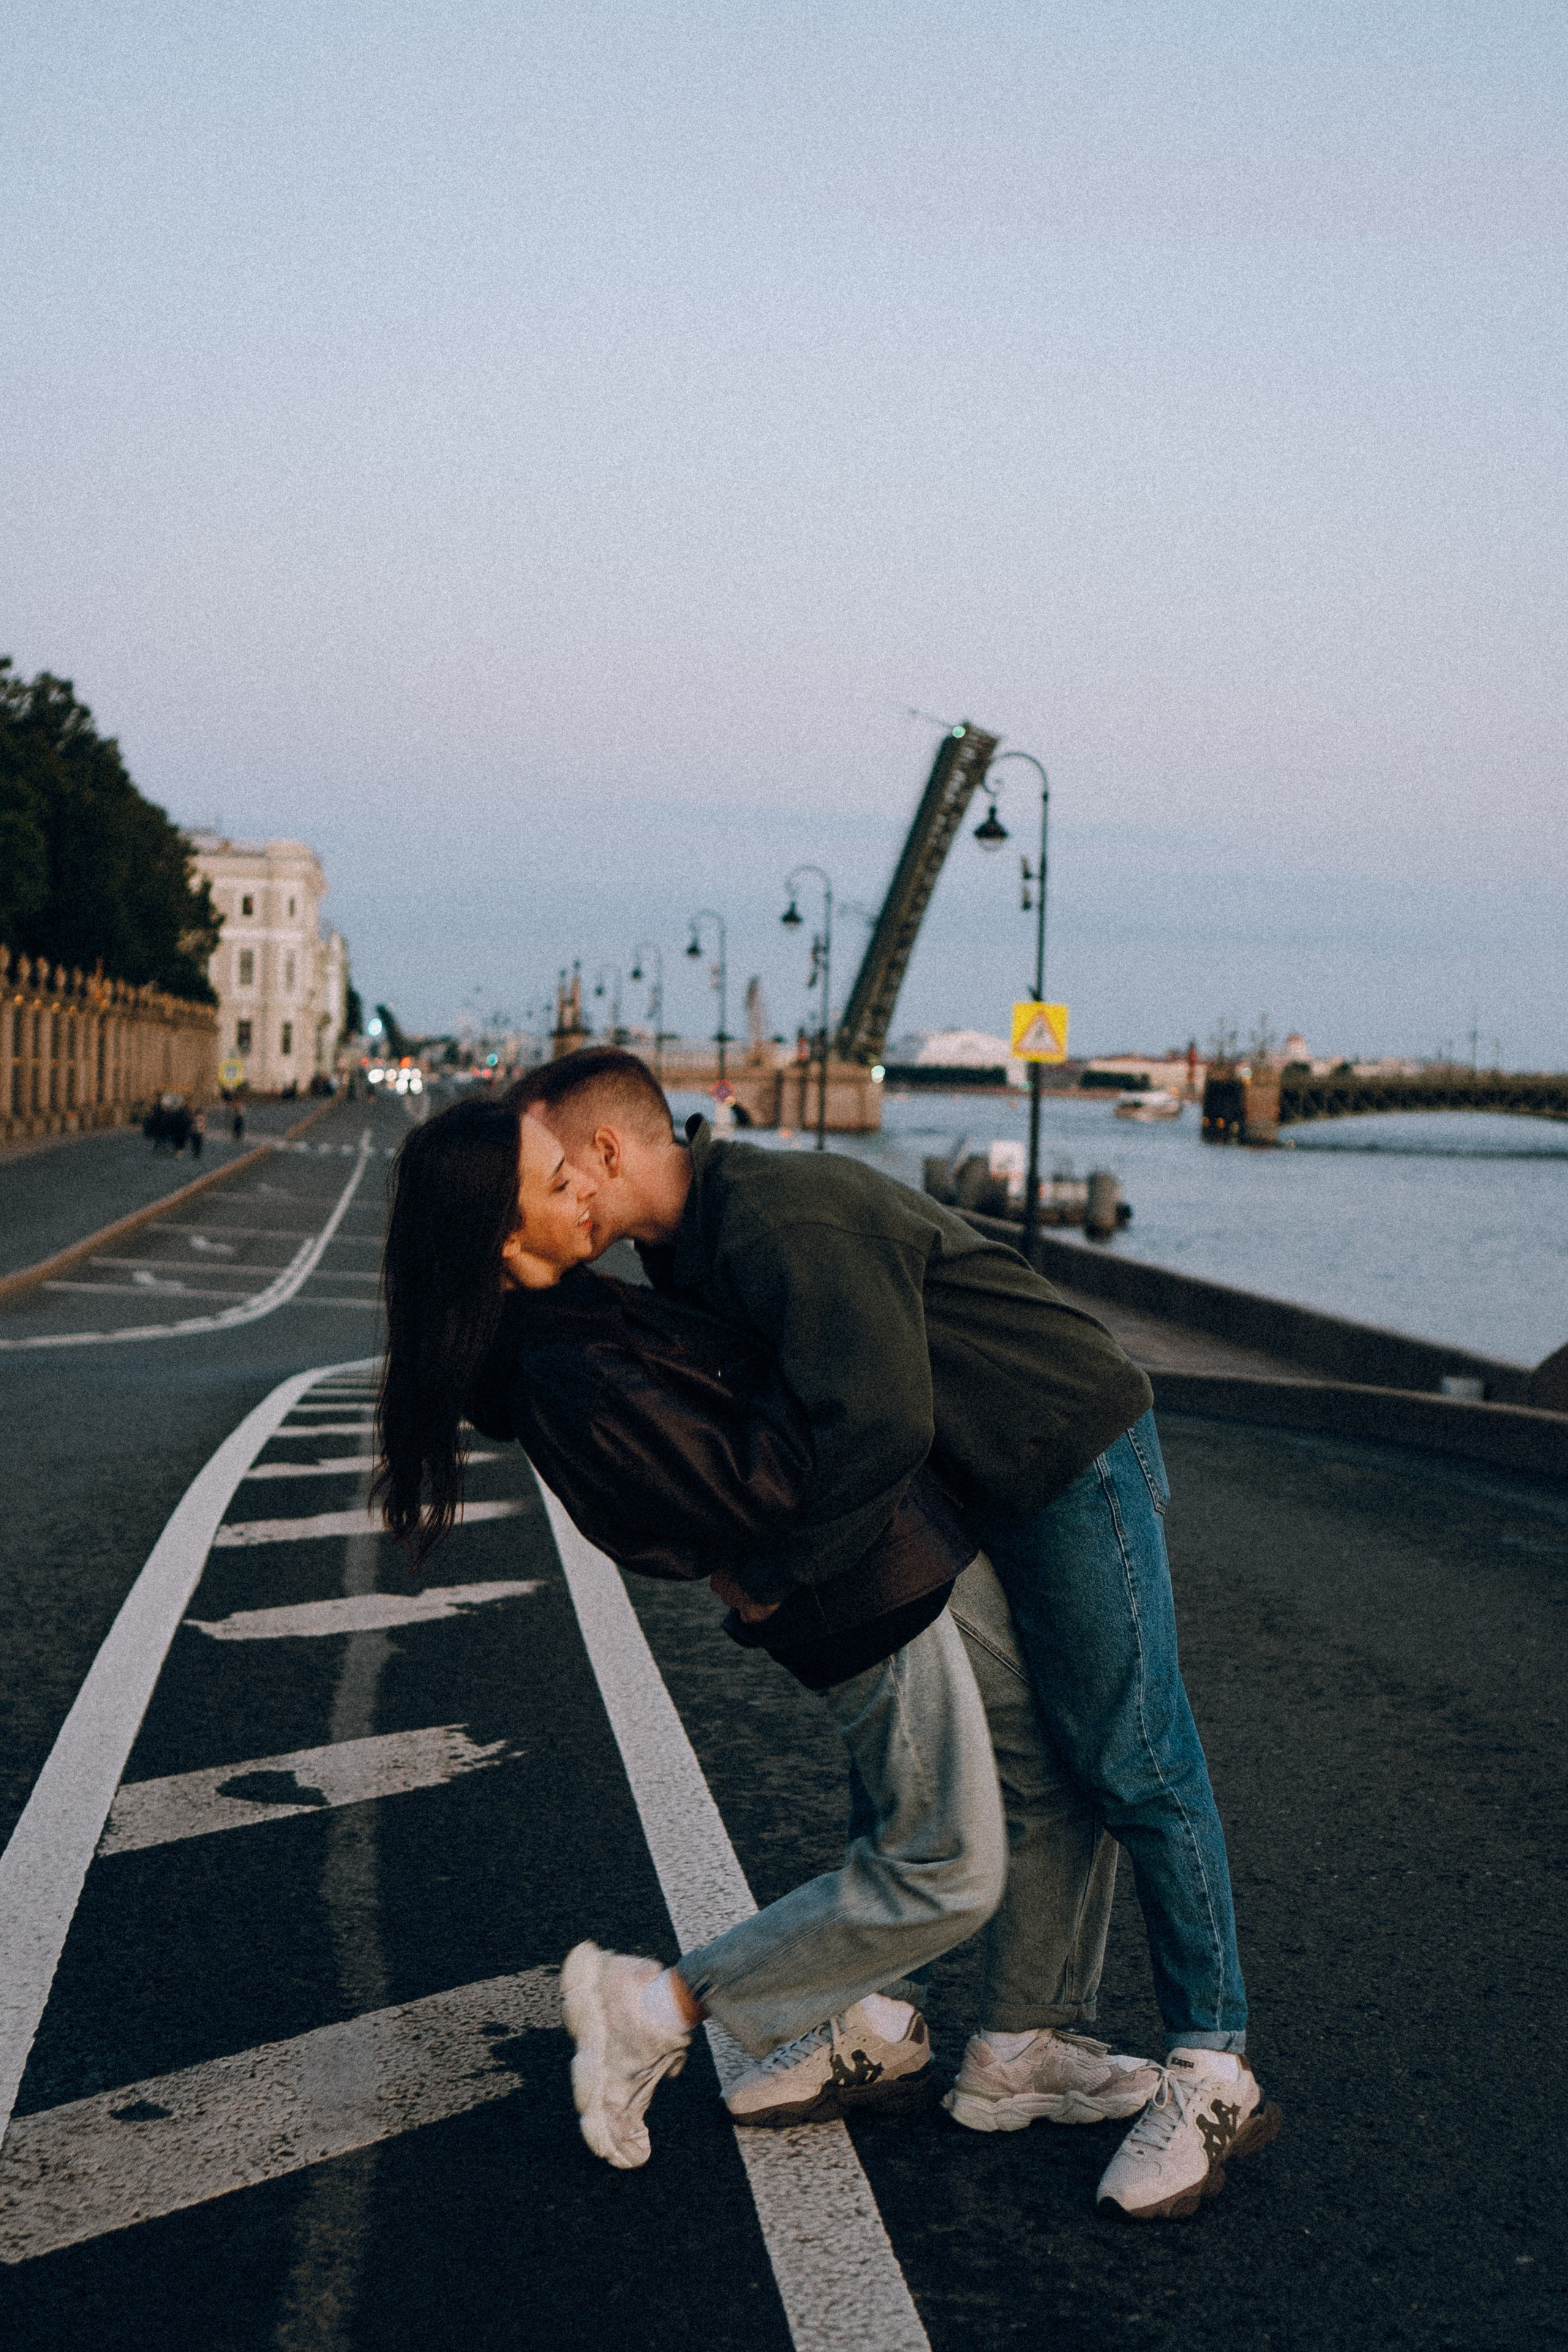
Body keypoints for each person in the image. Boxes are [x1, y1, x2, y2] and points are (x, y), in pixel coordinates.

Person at [518, 1049, 1281, 2222]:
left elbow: (874, 1428)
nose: (554, 1200)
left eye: (557, 1173)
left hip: (1063, 1453)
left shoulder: (779, 1216)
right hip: (967, 1483)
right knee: (994, 1751)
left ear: (609, 1153)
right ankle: (1015, 2047)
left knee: (1131, 1754)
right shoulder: (686, 1251)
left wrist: (773, 1580)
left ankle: (1213, 2061)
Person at [374, 1097, 1031, 2170]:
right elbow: (752, 1490)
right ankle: (659, 2003)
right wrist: (833, 1378)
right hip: (859, 1597)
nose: (588, 1186)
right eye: (557, 1184)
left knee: (972, 1812)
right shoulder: (563, 1369)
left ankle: (974, 2037)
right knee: (946, 1869)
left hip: (881, 1571)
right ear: (501, 1239)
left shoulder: (572, 1322)